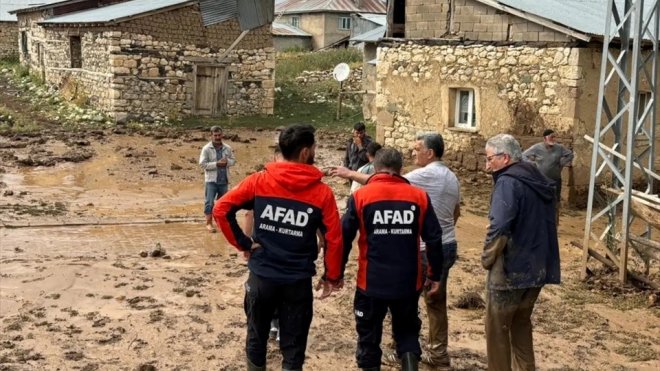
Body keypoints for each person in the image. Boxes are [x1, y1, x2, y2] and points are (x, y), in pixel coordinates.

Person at [213, 124, 343, 371]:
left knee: (256, 336)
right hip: (298, 281)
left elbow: (221, 208)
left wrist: (244, 244)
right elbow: (333, 239)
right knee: (294, 346)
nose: (315, 151)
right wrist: (332, 276)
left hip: (262, 277)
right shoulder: (322, 194)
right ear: (305, 153)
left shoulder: (258, 181)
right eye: (314, 147)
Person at [335, 134, 460, 369]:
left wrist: (336, 273)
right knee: (407, 333)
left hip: (371, 282)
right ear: (401, 169)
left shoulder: (360, 196)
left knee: (368, 338)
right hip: (408, 282)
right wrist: (433, 276)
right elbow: (434, 237)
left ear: (376, 168)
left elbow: (344, 237)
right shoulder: (419, 197)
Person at [482, 134, 560, 371]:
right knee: (521, 324)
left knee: (497, 329)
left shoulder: (508, 182)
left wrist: (487, 257)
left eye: (490, 159)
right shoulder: (538, 179)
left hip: (511, 268)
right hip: (538, 267)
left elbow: (500, 226)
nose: (487, 165)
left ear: (504, 158)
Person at [402, 133, 460, 369]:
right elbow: (456, 212)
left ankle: (406, 351)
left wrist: (349, 173)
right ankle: (438, 352)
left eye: (417, 149)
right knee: (436, 301)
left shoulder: (426, 174)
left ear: (430, 153)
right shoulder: (452, 177)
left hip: (426, 249)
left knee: (405, 301)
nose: (413, 153)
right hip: (447, 244)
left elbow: (387, 182)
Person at [522, 129, 573, 206]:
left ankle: (554, 217)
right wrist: (532, 163)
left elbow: (570, 154)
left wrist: (562, 162)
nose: (553, 139)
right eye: (551, 137)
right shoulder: (537, 148)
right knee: (540, 201)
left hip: (555, 180)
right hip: (541, 180)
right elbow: (523, 155)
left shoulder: (559, 148)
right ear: (545, 138)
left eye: (554, 137)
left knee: (555, 202)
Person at [199, 125, 235, 233]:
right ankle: (209, 224)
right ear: (211, 136)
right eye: (215, 135)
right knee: (209, 202)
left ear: (222, 135)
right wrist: (216, 164)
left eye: (219, 135)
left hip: (224, 180)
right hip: (211, 180)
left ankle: (220, 223)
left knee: (222, 203)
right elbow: (202, 164)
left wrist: (227, 162)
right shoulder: (206, 149)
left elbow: (233, 160)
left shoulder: (227, 148)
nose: (217, 137)